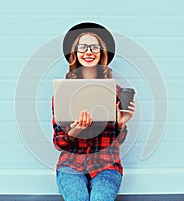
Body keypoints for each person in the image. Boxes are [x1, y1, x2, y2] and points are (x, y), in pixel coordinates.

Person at [52, 22, 135, 201]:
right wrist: (75, 130)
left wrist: (121, 124)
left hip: (106, 165)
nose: (88, 52)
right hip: (71, 166)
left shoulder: (116, 92)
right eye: (82, 47)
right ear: (75, 53)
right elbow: (59, 143)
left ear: (102, 53)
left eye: (94, 47)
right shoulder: (63, 92)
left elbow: (117, 142)